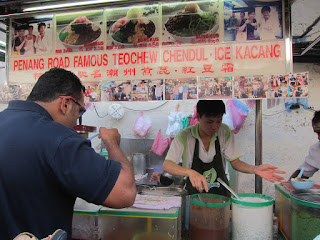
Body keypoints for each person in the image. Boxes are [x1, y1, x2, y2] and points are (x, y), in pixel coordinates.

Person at [0, 68, 136, 239]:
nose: (76, 122)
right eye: (80, 112)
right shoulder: (59, 139)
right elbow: (125, 192)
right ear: (65, 104)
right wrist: (112, 142)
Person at [162, 100, 285, 196]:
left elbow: (235, 162)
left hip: (220, 193)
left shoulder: (224, 132)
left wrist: (255, 169)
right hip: (193, 195)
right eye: (209, 122)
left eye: (219, 121)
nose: (215, 127)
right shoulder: (184, 136)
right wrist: (190, 172)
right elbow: (167, 165)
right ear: (198, 117)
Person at [290, 111, 320, 179]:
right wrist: (288, 185)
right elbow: (302, 173)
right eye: (317, 133)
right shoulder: (317, 150)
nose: (318, 137)